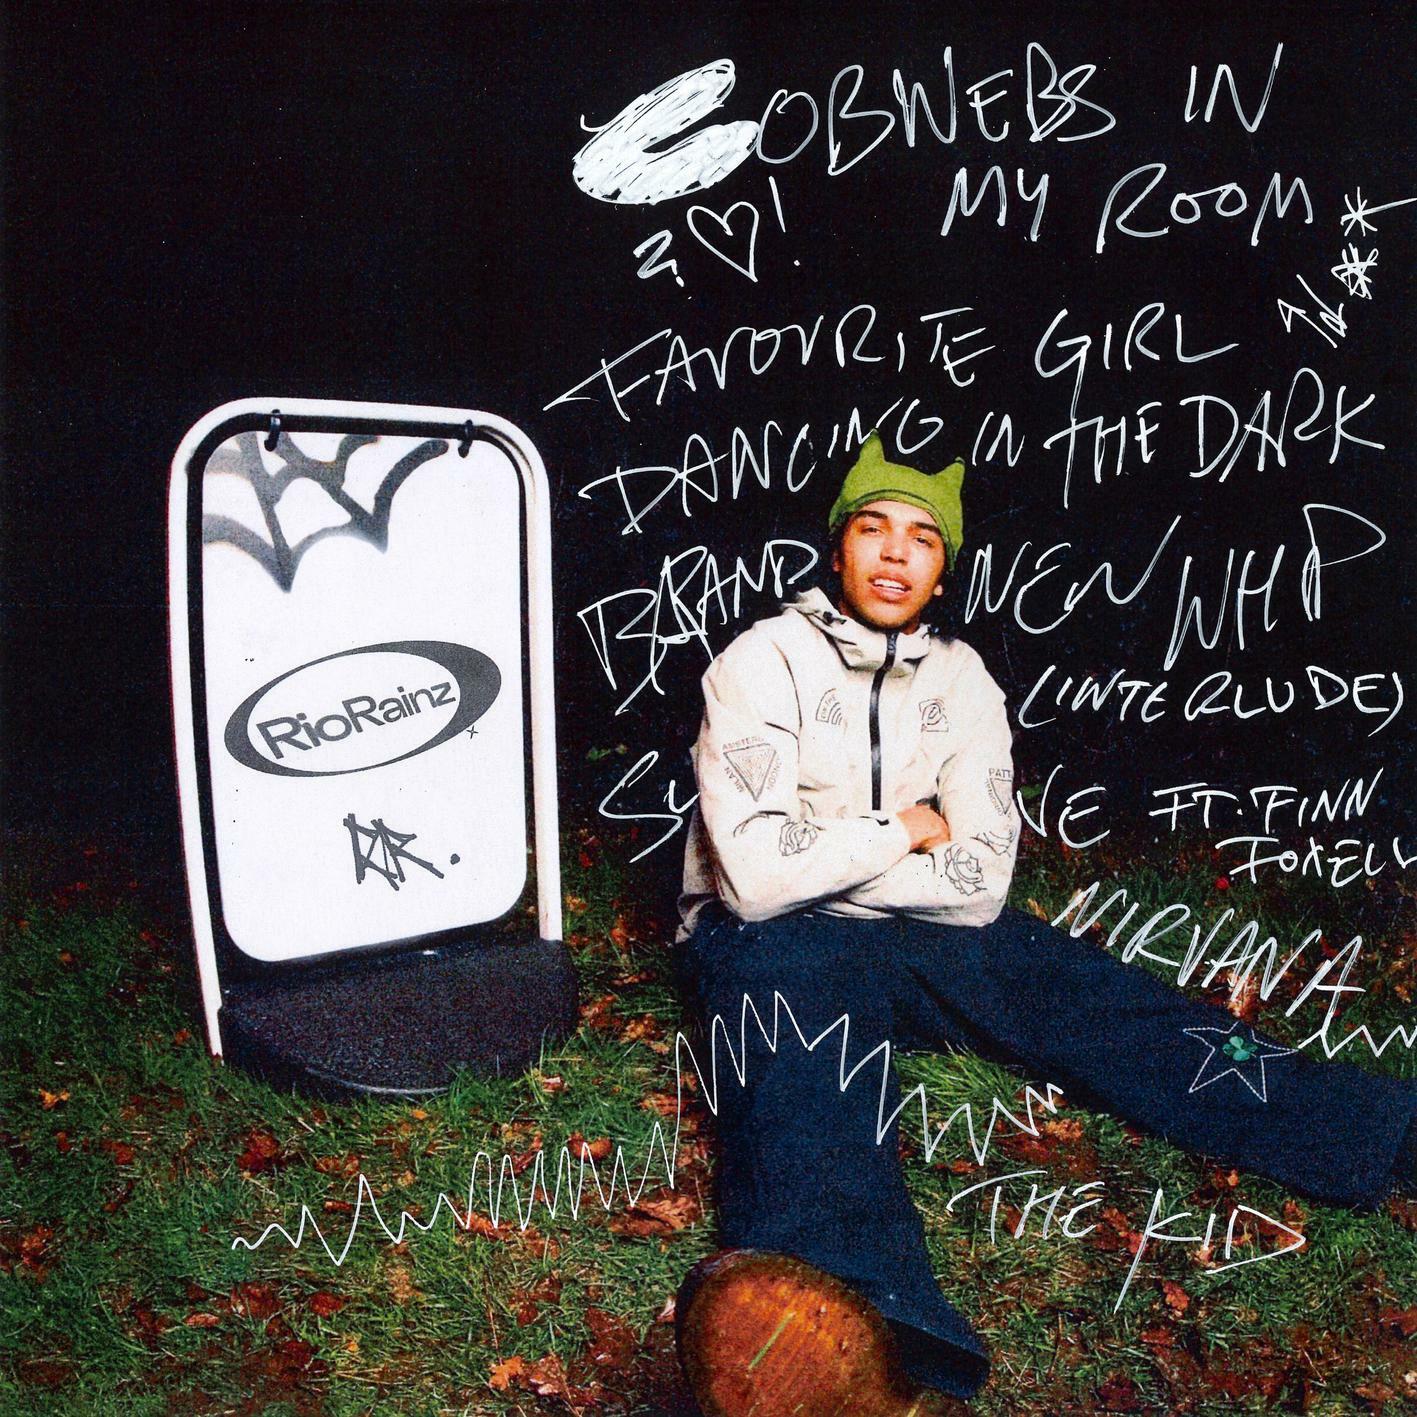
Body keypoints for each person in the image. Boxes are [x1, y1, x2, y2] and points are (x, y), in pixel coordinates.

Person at [671, 433, 1417, 1417]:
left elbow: (979, 882)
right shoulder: (758, 663)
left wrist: (832, 860)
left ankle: (1381, 1132)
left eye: (922, 539)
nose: (894, 553)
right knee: (804, 1050)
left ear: (942, 571)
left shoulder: (963, 682)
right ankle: (851, 1328)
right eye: (872, 528)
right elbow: (757, 880)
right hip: (768, 937)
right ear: (838, 546)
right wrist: (903, 830)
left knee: (1096, 996)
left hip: (905, 919)